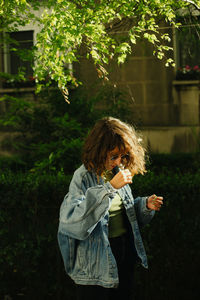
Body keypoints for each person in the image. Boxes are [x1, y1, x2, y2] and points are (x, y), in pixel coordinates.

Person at [57, 116, 163, 300]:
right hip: (95, 263)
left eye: (123, 156)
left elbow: (122, 212)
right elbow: (72, 222)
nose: (118, 162)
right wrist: (110, 188)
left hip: (123, 251)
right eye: (113, 156)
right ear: (99, 151)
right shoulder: (83, 177)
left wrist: (144, 205)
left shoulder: (115, 171)